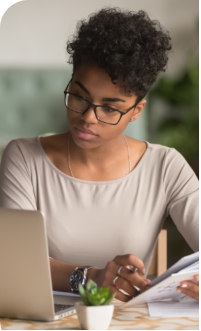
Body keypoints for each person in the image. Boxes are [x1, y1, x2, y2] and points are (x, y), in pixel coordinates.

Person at [0, 8, 199, 302]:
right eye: (79, 96)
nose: (88, 117)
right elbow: (15, 262)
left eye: (110, 107)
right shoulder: (24, 158)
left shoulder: (165, 166)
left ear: (136, 111)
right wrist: (91, 277)